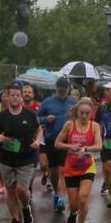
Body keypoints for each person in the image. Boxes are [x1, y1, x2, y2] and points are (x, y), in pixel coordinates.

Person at [0, 84, 42, 223]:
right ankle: (15, 220)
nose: (14, 98)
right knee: (11, 190)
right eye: (11, 95)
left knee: (21, 190)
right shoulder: (1, 116)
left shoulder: (30, 115)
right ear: (7, 98)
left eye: (17, 95)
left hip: (26, 158)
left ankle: (26, 207)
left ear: (21, 98)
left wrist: (37, 141)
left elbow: (39, 129)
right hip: (6, 159)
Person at [54, 97, 102, 223]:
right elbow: (57, 143)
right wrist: (70, 147)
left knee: (83, 198)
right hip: (71, 168)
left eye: (87, 113)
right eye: (82, 113)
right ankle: (73, 213)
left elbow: (99, 146)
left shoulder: (94, 126)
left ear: (91, 113)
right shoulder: (69, 125)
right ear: (76, 112)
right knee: (74, 204)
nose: (84, 116)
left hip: (88, 167)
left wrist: (86, 148)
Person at [38, 78, 76, 214]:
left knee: (63, 170)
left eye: (64, 88)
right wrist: (45, 120)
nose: (62, 91)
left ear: (68, 88)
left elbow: (82, 117)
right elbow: (37, 118)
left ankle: (61, 197)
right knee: (53, 171)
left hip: (67, 142)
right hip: (51, 140)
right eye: (59, 88)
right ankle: (56, 191)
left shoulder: (73, 102)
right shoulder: (47, 102)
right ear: (56, 88)